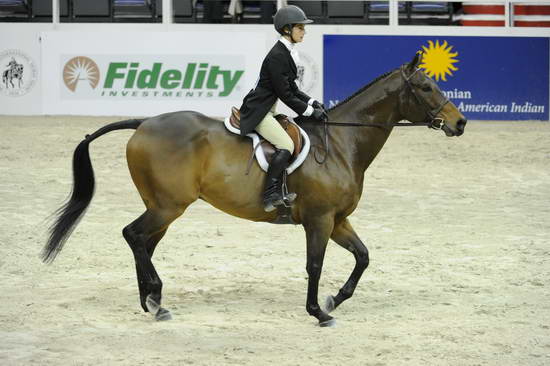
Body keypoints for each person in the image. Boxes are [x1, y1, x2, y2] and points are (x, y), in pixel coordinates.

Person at [238, 5, 328, 213]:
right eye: (300, 28)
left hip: (268, 108)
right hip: (259, 110)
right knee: (286, 145)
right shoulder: (278, 55)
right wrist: (308, 112)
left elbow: (293, 88)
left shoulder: (286, 52)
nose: (304, 32)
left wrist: (313, 102)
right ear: (287, 29)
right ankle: (270, 195)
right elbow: (285, 94)